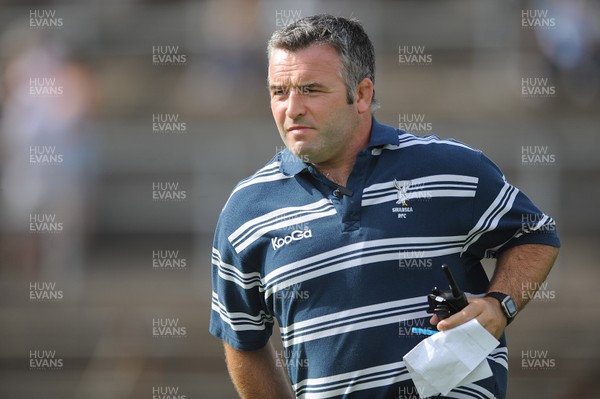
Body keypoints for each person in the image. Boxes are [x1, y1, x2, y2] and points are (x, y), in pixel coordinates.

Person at [209, 14, 560, 399]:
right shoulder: (246, 211)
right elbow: (243, 339)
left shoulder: (450, 167)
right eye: (279, 91)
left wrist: (499, 304)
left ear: (361, 95)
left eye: (311, 89)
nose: (292, 109)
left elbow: (536, 233)